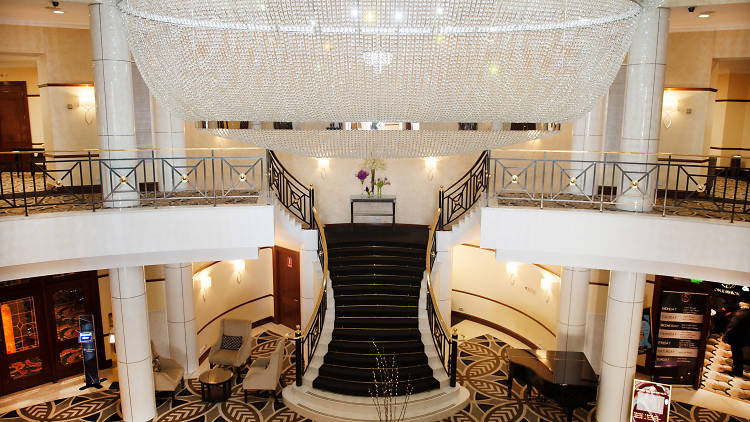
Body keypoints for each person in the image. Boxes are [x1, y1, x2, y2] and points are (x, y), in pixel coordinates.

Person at [724, 302, 750, 377]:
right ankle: (737, 370)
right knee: (738, 354)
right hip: (743, 337)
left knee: (736, 354)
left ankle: (736, 371)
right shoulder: (747, 313)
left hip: (736, 337)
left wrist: (726, 336)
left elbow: (732, 327)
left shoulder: (739, 314)